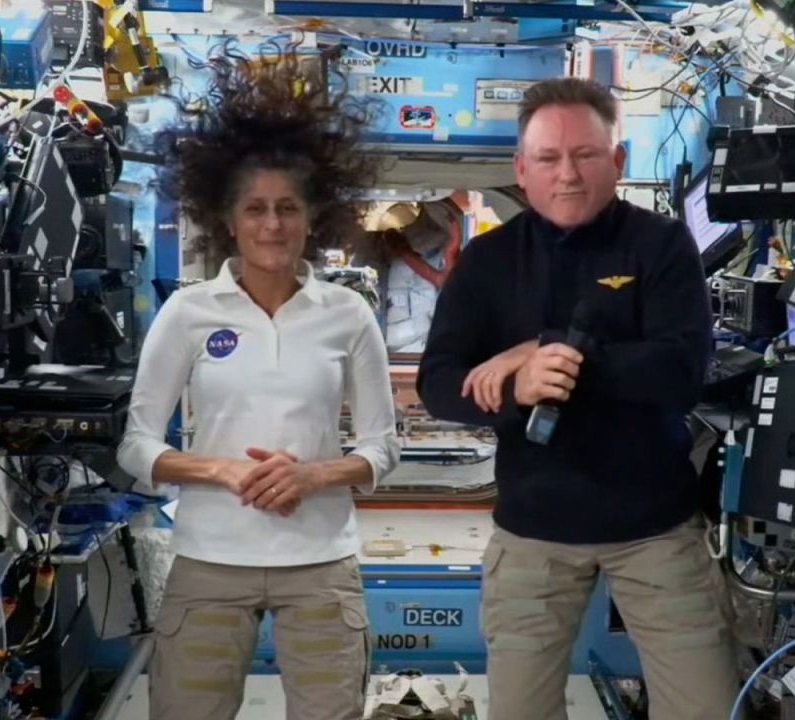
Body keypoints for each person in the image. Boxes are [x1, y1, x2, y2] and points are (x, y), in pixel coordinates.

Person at [416, 77, 740, 720]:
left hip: (656, 531)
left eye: (585, 155)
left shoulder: (661, 245)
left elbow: (681, 372)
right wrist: (517, 388)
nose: (567, 174)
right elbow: (438, 383)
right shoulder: (487, 261)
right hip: (533, 532)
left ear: (616, 162)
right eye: (548, 159)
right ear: (521, 169)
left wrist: (554, 354)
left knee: (704, 707)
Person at [117, 46, 400, 720]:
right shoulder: (188, 313)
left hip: (322, 565)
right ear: (227, 218)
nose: (272, 224)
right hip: (209, 560)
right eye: (255, 209)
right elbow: (135, 447)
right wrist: (217, 470)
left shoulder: (348, 313)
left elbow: (383, 450)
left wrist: (313, 477)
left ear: (312, 217)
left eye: (287, 208)